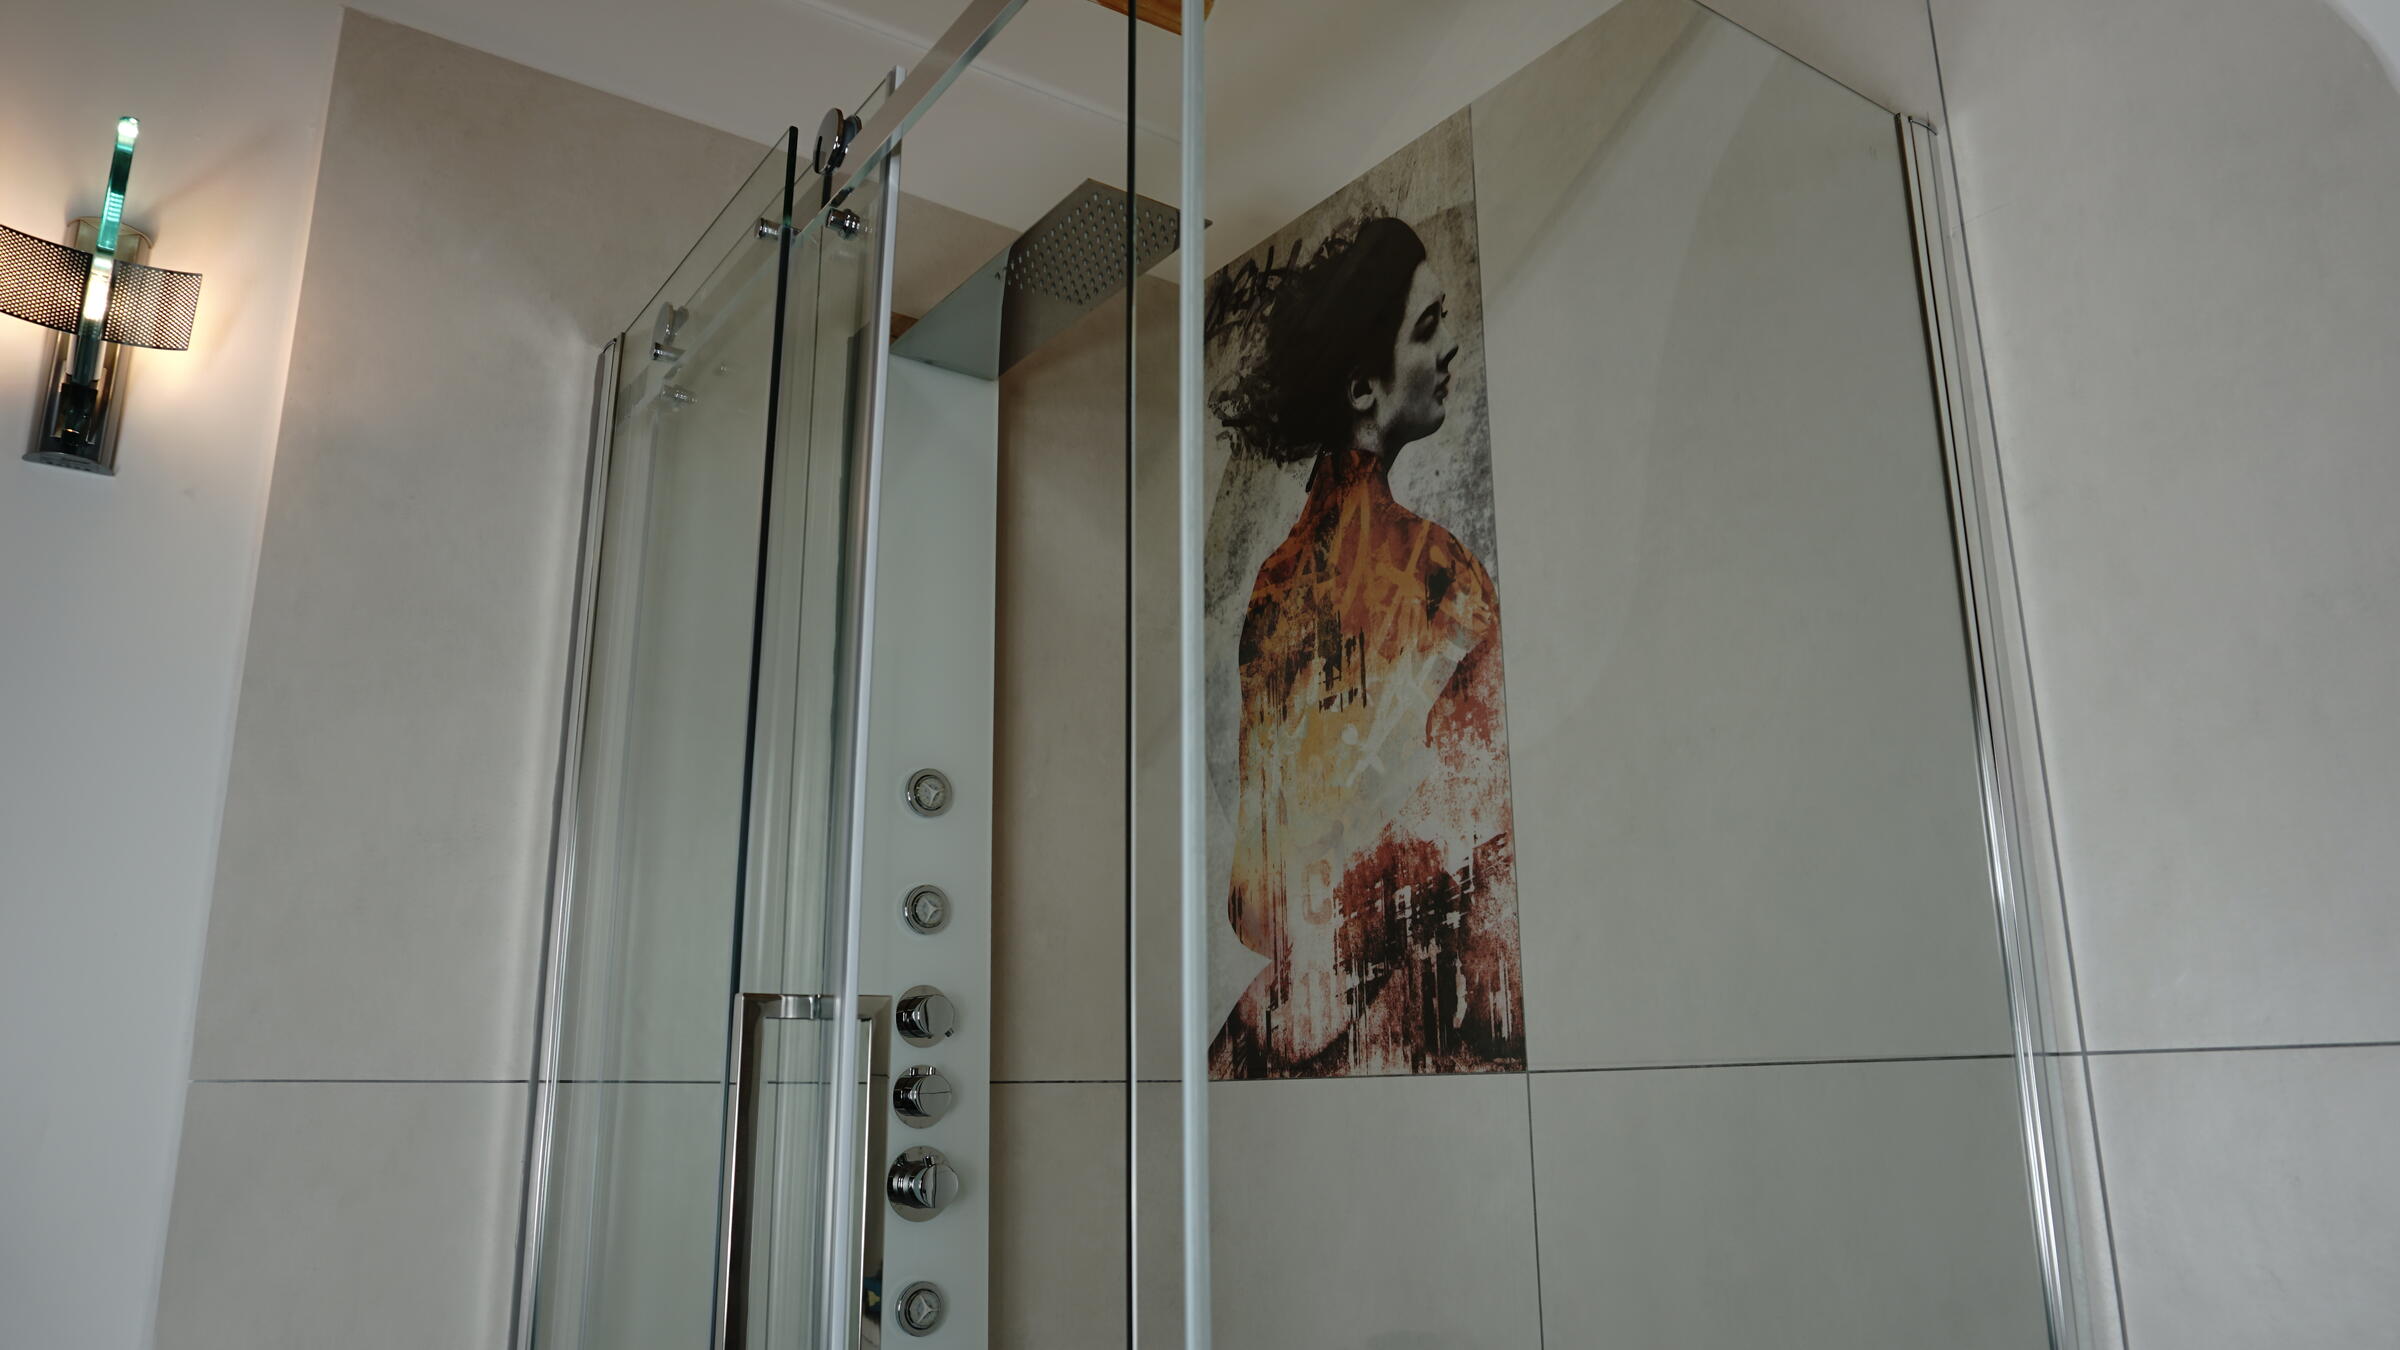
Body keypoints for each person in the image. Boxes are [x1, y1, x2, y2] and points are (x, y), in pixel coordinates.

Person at [1210, 216, 1525, 1079]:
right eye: (1426, 329)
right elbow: (1488, 843)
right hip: (1426, 1026)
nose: (1450, 346)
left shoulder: (1272, 591)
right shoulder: (1442, 578)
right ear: (1363, 388)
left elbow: (1252, 905)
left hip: (1296, 1027)